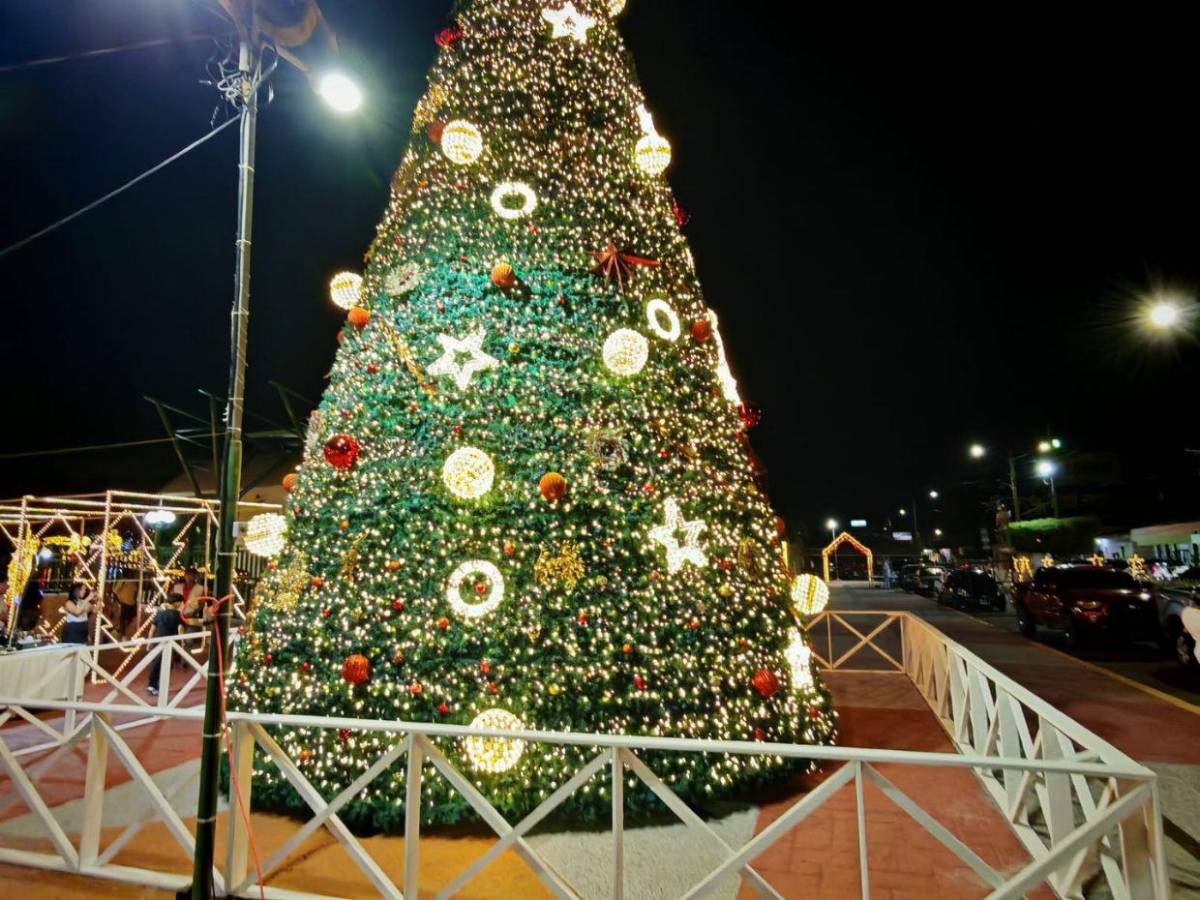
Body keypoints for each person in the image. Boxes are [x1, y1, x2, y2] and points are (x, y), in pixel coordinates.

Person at [146, 593, 184, 697]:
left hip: (157, 641)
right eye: (181, 602)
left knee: (155, 664)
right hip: (171, 643)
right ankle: (158, 685)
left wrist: (149, 642)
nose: (181, 604)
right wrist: (182, 643)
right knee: (167, 665)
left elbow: (152, 629)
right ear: (176, 603)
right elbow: (180, 629)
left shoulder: (159, 613)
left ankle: (152, 684)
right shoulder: (178, 614)